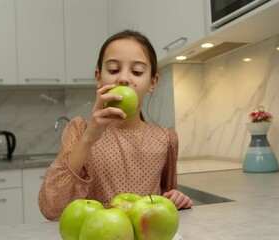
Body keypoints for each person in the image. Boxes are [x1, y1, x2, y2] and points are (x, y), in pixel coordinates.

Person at [38, 30, 193, 220]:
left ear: (153, 82)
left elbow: (166, 204)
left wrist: (176, 199)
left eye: (137, 71)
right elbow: (51, 207)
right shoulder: (80, 131)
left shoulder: (165, 139)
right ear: (98, 77)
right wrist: (89, 138)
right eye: (113, 70)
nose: (124, 78)